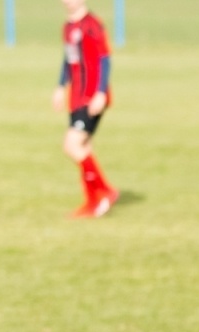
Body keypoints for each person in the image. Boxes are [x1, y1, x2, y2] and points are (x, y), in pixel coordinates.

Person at [54, 0, 118, 217]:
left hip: (92, 97)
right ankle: (93, 201)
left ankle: (105, 192)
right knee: (84, 147)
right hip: (76, 98)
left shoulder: (92, 24)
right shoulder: (68, 27)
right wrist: (60, 87)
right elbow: (68, 60)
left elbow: (105, 59)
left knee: (72, 145)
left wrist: (101, 92)